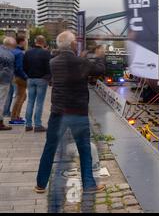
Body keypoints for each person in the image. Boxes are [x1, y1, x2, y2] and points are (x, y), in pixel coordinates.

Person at [35, 31, 106, 194]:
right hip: (77, 112)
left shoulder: (53, 62)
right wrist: (100, 55)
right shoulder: (81, 62)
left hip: (58, 111)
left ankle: (40, 184)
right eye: (75, 41)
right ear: (73, 44)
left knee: (50, 147)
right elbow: (99, 70)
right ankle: (89, 184)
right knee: (84, 148)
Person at [23, 35, 51, 132]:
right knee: (39, 103)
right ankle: (38, 125)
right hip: (41, 80)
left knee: (30, 101)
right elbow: (49, 67)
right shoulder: (46, 53)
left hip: (30, 79)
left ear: (35, 41)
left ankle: (28, 124)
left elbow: (24, 67)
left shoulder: (28, 52)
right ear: (43, 42)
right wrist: (48, 78)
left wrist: (28, 75)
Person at [9, 35, 28, 125]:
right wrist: (26, 77)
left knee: (22, 96)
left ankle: (16, 116)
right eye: (25, 41)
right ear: (21, 42)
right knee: (20, 97)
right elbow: (19, 67)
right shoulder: (20, 53)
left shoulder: (13, 51)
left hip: (14, 76)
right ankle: (14, 117)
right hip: (20, 77)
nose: (26, 42)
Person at [0, 37, 17, 131]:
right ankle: (0, 123)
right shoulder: (9, 55)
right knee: (1, 101)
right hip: (3, 81)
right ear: (11, 45)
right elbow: (10, 70)